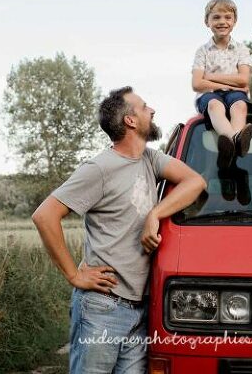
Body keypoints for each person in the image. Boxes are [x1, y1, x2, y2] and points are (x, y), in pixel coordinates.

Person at [32, 86, 205, 374]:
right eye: (145, 106)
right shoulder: (100, 168)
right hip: (103, 307)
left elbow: (195, 182)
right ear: (130, 121)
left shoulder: (150, 159)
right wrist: (74, 275)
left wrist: (156, 213)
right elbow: (45, 215)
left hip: (139, 310)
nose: (152, 110)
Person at [191, 0, 252, 169]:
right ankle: (234, 139)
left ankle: (231, 145)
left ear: (234, 21)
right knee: (214, 106)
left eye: (228, 17)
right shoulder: (202, 51)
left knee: (240, 106)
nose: (222, 22)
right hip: (210, 95)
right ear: (207, 21)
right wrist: (229, 83)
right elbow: (197, 84)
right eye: (216, 17)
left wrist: (210, 77)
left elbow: (243, 80)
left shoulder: (241, 49)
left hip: (233, 94)